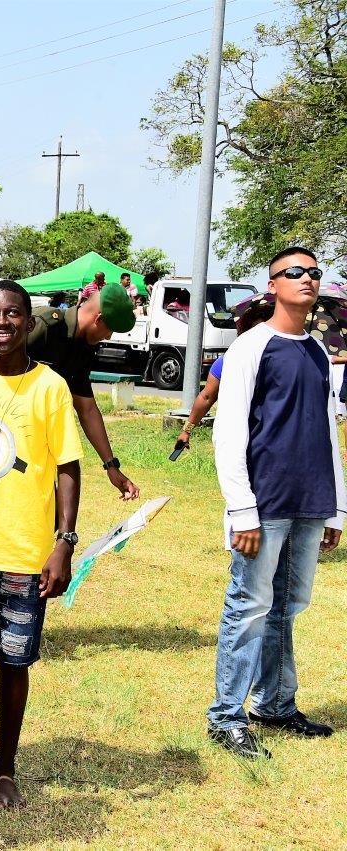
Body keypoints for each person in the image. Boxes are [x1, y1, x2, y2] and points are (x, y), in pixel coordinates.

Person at [0, 279, 82, 810]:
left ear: (29, 322)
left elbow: (68, 468)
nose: (2, 322)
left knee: (14, 663)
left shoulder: (50, 387)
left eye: (13, 313)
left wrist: (63, 543)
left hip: (26, 555)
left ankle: (5, 767)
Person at [208, 247, 344, 758]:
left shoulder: (315, 351)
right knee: (249, 607)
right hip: (264, 505)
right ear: (272, 285)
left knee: (288, 607)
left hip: (311, 502)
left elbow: (327, 431)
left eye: (314, 272)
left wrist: (336, 508)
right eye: (295, 272)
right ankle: (225, 716)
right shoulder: (251, 348)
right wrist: (242, 509)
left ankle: (276, 705)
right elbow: (229, 430)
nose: (307, 279)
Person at [27, 282, 141, 500]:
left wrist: (111, 466)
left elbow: (87, 409)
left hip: (39, 444)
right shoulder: (44, 326)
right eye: (110, 330)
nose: (108, 337)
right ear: (98, 319)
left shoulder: (83, 348)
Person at [176, 297, 275, 450]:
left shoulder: (292, 362)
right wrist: (186, 431)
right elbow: (206, 396)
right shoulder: (230, 360)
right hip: (239, 442)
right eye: (256, 332)